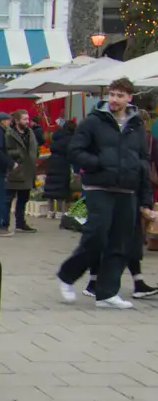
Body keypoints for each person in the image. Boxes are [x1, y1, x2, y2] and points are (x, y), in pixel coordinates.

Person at [59, 77, 150, 309]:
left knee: (121, 241)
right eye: (112, 94)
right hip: (99, 186)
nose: (114, 100)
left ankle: (107, 293)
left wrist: (145, 197)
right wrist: (97, 163)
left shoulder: (136, 125)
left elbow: (143, 161)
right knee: (96, 234)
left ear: (130, 98)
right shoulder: (93, 122)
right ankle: (67, 276)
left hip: (127, 189)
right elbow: (75, 151)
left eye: (120, 95)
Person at [4, 109, 39, 232]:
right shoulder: (10, 133)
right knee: (8, 199)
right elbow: (6, 150)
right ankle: (5, 223)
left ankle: (20, 223)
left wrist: (35, 157)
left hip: (28, 170)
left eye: (28, 119)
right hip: (15, 170)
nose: (27, 121)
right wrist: (19, 155)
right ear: (17, 120)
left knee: (23, 199)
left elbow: (35, 148)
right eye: (24, 119)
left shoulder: (30, 132)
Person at [42, 118, 76, 202]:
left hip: (52, 164)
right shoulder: (70, 139)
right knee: (60, 191)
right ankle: (60, 212)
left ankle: (51, 212)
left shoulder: (55, 138)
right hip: (63, 165)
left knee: (51, 189)